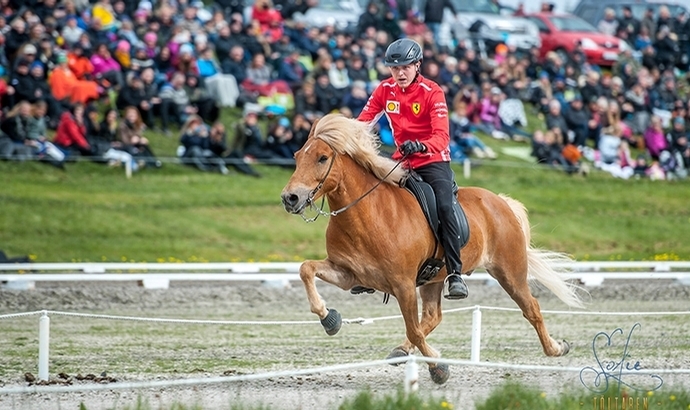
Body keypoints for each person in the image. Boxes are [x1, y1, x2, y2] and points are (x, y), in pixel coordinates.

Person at [356, 38, 468, 300]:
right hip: (401, 161)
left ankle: (455, 273)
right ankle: (370, 270)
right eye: (394, 69)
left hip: (433, 160)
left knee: (443, 205)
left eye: (405, 67)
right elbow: (362, 123)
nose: (400, 73)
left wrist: (420, 145)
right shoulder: (384, 90)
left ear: (418, 65)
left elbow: (442, 137)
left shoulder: (433, 92)